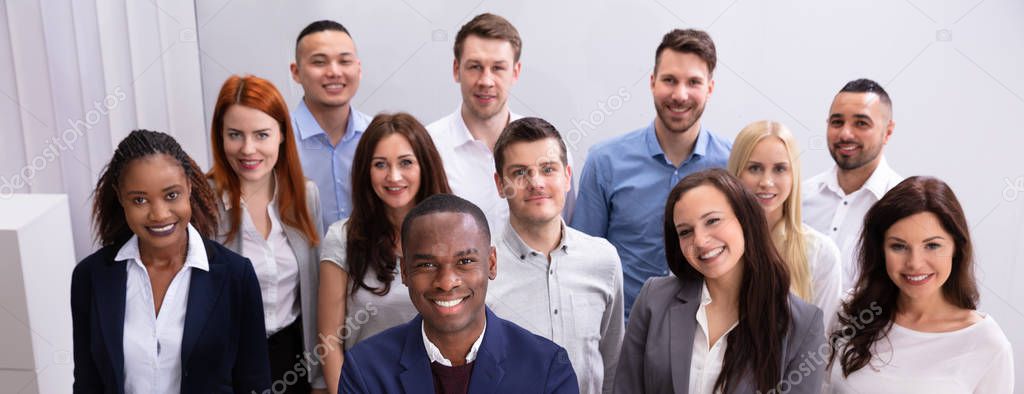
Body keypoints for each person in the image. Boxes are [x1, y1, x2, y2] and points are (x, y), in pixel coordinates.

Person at [71, 130, 270, 393]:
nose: (159, 214)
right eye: (139, 200)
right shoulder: (91, 277)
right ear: (120, 197)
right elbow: (88, 384)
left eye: (171, 195)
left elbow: (255, 384)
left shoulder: (236, 276)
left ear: (189, 187)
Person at [340, 194, 579, 393]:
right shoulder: (365, 368)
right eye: (427, 265)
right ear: (404, 272)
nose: (446, 282)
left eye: (465, 261)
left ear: (492, 264)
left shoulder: (547, 367)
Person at [615, 169, 825, 394]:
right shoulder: (654, 299)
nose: (701, 240)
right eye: (685, 232)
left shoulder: (802, 324)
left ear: (745, 219)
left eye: (712, 221)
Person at [572, 29, 732, 318]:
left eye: (693, 82)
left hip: (707, 336)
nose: (680, 94)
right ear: (652, 82)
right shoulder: (604, 162)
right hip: (621, 336)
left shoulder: (733, 166)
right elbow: (582, 263)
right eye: (670, 80)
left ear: (710, 88)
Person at [826, 176, 1015, 393]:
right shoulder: (850, 311)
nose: (914, 263)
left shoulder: (987, 344)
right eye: (898, 246)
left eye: (932, 245)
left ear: (956, 248)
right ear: (881, 250)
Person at [486, 117, 624, 393]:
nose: (536, 182)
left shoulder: (604, 260)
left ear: (567, 176)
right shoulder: (481, 269)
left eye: (548, 169)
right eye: (520, 172)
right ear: (501, 185)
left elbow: (612, 365)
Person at [317, 113, 452, 394]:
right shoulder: (342, 238)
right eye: (380, 164)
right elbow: (329, 341)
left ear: (424, 166)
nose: (393, 176)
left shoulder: (455, 234)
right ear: (366, 171)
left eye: (405, 163)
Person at [206, 75, 324, 393]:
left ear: (282, 134)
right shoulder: (203, 203)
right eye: (235, 135)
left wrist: (319, 377)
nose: (248, 149)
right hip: (230, 365)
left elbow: (315, 293)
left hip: (291, 356)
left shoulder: (305, 196)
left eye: (261, 135)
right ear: (220, 137)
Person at [427, 13, 575, 240]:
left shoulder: (550, 149)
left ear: (515, 72)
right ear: (456, 69)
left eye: (498, 68)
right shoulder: (427, 148)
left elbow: (566, 231)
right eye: (475, 66)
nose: (486, 81)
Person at [726, 120, 843, 331]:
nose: (767, 182)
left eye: (780, 169)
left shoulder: (820, 253)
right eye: (754, 168)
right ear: (736, 173)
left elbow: (821, 343)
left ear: (793, 176)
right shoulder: (713, 244)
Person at [802, 78, 903, 291]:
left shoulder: (904, 205)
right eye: (837, 122)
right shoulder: (801, 198)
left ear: (888, 131)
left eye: (861, 123)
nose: (845, 134)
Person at [290, 20, 373, 231]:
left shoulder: (377, 136)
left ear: (359, 69)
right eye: (319, 62)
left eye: (344, 61)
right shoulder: (278, 140)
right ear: (296, 72)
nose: (334, 72)